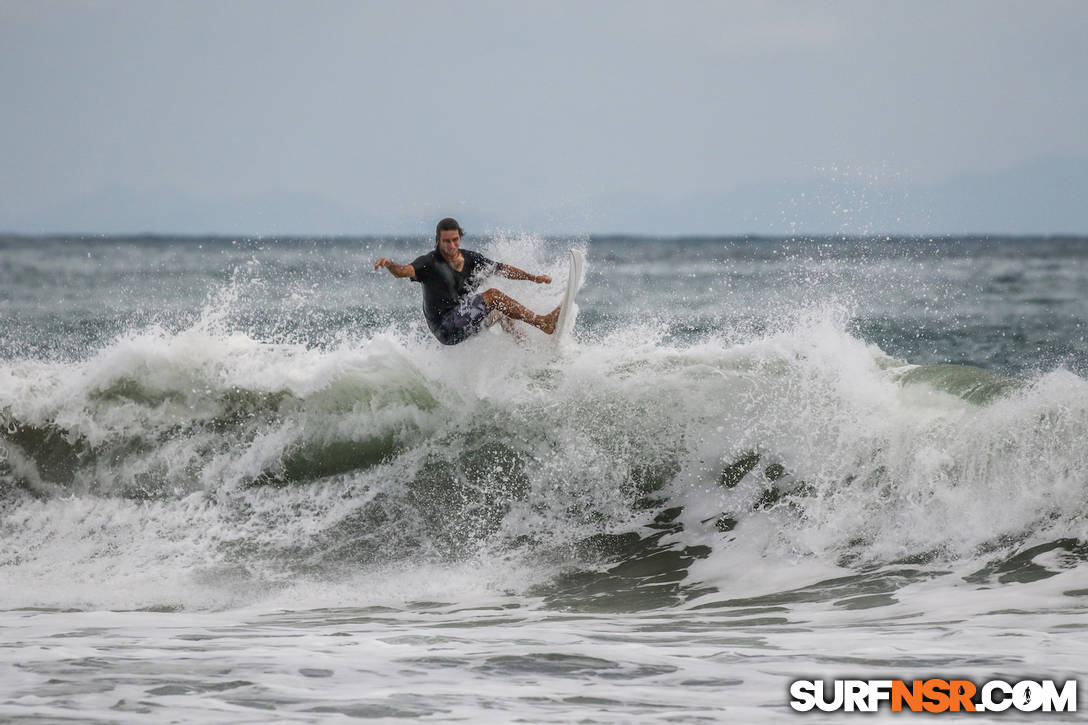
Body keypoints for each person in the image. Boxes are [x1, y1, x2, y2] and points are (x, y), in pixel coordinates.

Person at [374, 217, 560, 345]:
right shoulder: (428, 263)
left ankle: (528, 349)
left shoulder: (471, 259)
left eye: (455, 240)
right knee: (493, 296)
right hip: (445, 328)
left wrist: (534, 278)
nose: (452, 246)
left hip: (464, 322)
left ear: (460, 238)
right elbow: (403, 271)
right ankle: (543, 323)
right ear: (438, 241)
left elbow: (502, 269)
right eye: (446, 241)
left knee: (502, 311)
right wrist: (391, 265)